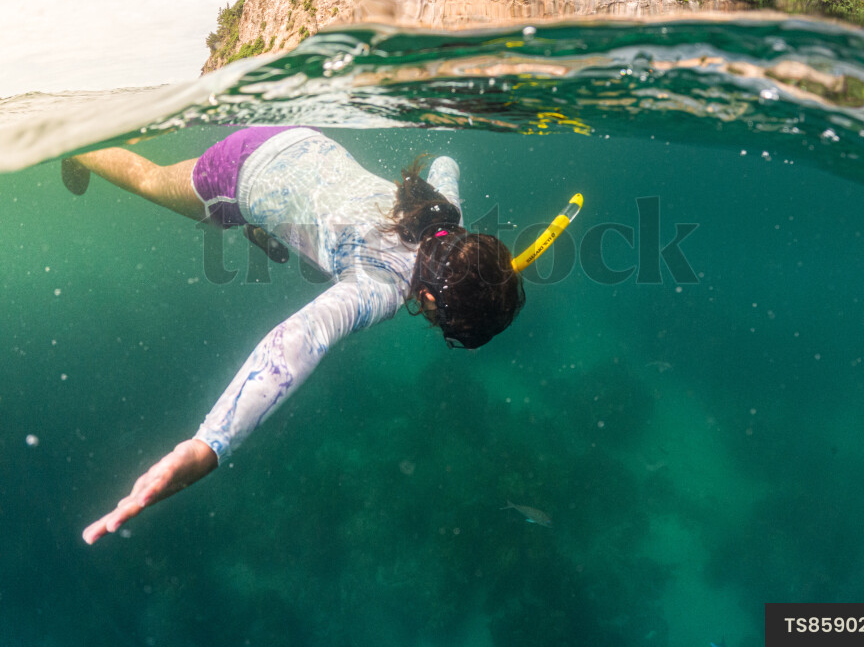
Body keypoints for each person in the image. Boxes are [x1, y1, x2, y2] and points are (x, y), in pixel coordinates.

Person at [68, 126, 525, 545]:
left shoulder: (448, 216)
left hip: (302, 142)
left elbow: (445, 162)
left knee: (316, 240)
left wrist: (487, 274)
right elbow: (300, 339)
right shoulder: (379, 285)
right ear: (427, 298)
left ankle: (257, 222)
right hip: (239, 174)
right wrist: (209, 444)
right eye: (443, 323)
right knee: (151, 180)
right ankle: (79, 144)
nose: (433, 321)